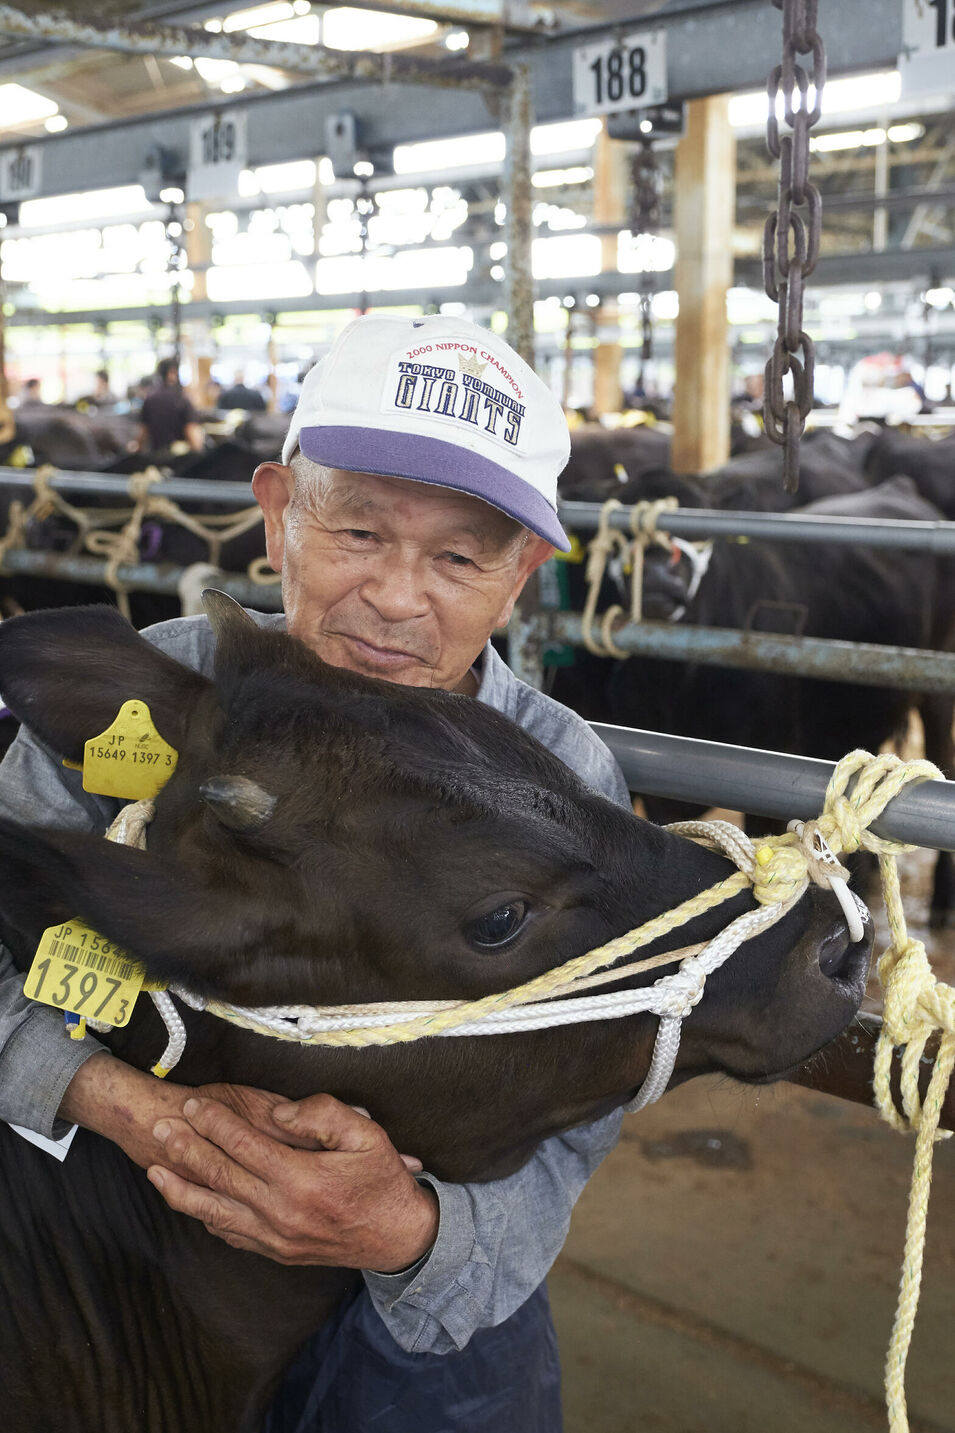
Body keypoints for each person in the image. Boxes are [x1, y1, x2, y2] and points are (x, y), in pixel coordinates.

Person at [0, 313, 631, 1431]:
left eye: (458, 554)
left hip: (410, 1266)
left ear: (522, 571)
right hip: (110, 1212)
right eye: (358, 532)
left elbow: (586, 1088)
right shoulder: (132, 708)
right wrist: (124, 1104)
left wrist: (413, 1233)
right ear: (281, 509)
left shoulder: (568, 778)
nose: (397, 597)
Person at [136, 356, 205, 454]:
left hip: (157, 457)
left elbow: (143, 433)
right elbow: (192, 434)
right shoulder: (181, 399)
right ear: (172, 373)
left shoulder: (150, 399)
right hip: (180, 459)